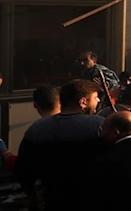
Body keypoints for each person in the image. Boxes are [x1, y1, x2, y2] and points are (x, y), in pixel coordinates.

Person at [16, 79, 105, 211]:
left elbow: (23, 169)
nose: (98, 101)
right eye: (95, 97)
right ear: (83, 102)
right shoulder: (100, 125)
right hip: (93, 199)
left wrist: (32, 197)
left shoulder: (37, 129)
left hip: (53, 199)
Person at [0, 85, 61, 171]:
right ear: (60, 102)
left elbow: (22, 167)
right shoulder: (79, 125)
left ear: (35, 105)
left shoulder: (36, 131)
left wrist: (3, 150)